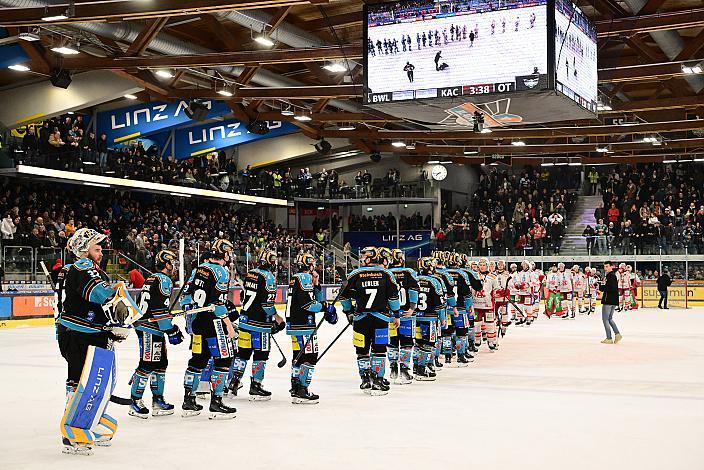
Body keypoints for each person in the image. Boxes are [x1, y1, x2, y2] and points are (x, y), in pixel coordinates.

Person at [58, 228, 142, 455]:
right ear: (84, 250)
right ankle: (73, 435)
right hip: (79, 335)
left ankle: (88, 423)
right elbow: (101, 295)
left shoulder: (89, 269)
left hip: (88, 333)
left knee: (92, 383)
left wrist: (112, 325)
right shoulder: (83, 267)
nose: (101, 251)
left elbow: (101, 303)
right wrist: (127, 314)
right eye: (97, 248)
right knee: (81, 383)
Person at [180, 239, 238, 419]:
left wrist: (189, 316)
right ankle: (216, 403)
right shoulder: (221, 272)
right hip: (214, 323)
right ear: (226, 254)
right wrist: (229, 325)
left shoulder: (199, 268)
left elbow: (186, 297)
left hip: (197, 322)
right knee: (223, 359)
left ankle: (188, 401)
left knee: (198, 359)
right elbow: (219, 305)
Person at [129, 250, 184, 419]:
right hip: (149, 327)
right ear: (166, 264)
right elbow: (159, 311)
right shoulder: (164, 280)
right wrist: (171, 329)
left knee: (161, 363)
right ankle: (135, 401)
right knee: (148, 363)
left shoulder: (153, 278)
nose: (174, 266)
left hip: (151, 326)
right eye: (172, 262)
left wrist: (166, 327)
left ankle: (157, 399)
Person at [339, 246, 400, 395]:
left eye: (363, 256)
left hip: (361, 318)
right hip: (381, 318)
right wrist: (396, 314)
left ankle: (365, 379)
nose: (361, 258)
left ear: (368, 258)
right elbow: (393, 298)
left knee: (362, 350)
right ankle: (378, 381)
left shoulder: (355, 274)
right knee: (379, 349)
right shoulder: (386, 274)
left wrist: (348, 312)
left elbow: (343, 295)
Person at [229, 249, 285, 400]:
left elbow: (244, 296)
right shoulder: (269, 278)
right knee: (261, 354)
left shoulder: (250, 273)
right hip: (259, 324)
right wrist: (277, 317)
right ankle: (256, 386)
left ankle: (233, 383)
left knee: (243, 353)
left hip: (245, 320)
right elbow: (267, 306)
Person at [286, 252, 337, 404]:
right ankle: (302, 389)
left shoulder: (296, 278)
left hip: (294, 324)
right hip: (304, 324)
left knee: (298, 355)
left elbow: (312, 299)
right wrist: (325, 306)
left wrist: (317, 285)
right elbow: (309, 305)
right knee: (310, 356)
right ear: (310, 265)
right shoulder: (304, 278)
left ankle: (295, 388)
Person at [388, 249, 420, 382]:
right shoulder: (408, 272)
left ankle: (393, 369)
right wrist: (412, 308)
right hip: (406, 314)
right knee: (407, 343)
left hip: (391, 314)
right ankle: (404, 371)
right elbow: (413, 291)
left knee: (392, 343)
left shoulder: (386, 273)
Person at [413, 257, 446, 380]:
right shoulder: (435, 281)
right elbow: (440, 303)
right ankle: (422, 369)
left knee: (418, 343)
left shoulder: (413, 279)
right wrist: (442, 318)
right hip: (430, 318)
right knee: (428, 343)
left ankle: (416, 366)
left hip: (415, 318)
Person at [599, 261, 622, 344]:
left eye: (607, 266)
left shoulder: (611, 276)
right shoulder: (611, 276)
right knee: (609, 319)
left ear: (611, 267)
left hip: (608, 300)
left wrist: (601, 287)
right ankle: (617, 334)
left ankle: (609, 338)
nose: (605, 268)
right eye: (604, 266)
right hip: (613, 300)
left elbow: (611, 288)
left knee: (605, 319)